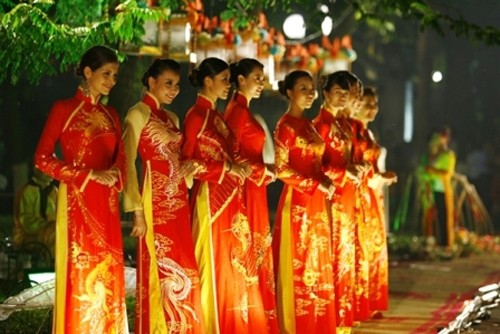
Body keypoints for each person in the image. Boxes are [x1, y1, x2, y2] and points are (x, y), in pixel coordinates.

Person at [34, 45, 129, 333]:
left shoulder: (111, 114)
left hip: (107, 205)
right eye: (106, 74)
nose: (111, 81)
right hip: (78, 202)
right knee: (81, 271)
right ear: (87, 73)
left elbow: (122, 159)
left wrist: (116, 177)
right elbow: (42, 158)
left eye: (115, 75)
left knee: (110, 273)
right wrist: (87, 175)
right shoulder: (63, 109)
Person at [122, 58, 204, 333]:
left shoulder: (172, 118)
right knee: (162, 271)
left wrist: (187, 168)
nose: (174, 90)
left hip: (178, 201)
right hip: (154, 202)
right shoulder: (137, 114)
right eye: (168, 83)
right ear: (151, 82)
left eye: (177, 85)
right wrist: (136, 210)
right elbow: (127, 162)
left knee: (185, 269)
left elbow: (175, 160)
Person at [182, 57, 262, 333]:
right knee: (214, 264)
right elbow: (186, 164)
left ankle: (234, 324)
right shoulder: (195, 117)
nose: (229, 85)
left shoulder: (216, 117)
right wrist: (225, 167)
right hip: (210, 201)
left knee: (234, 266)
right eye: (225, 79)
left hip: (233, 198)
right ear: (208, 81)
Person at [272, 70, 336, 333]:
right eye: (302, 88)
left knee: (317, 259)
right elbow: (281, 169)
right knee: (298, 261)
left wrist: (325, 179)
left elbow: (315, 163)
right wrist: (314, 183)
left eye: (312, 89)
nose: (309, 94)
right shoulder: (284, 125)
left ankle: (317, 321)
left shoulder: (309, 125)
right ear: (289, 92)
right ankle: (293, 324)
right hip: (297, 202)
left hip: (317, 203)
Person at [224, 58, 279, 333]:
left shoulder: (242, 110)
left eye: (263, 77)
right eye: (256, 77)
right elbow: (232, 156)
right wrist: (265, 171)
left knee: (256, 252)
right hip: (243, 190)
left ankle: (256, 317)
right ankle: (245, 320)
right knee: (246, 253)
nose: (262, 82)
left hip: (254, 187)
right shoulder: (237, 112)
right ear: (241, 79)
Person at [312, 71, 362, 331]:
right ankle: (331, 319)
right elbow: (316, 165)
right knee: (333, 255)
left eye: (346, 93)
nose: (343, 97)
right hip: (331, 197)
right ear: (326, 93)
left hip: (346, 196)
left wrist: (353, 168)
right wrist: (344, 172)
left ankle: (342, 318)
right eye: (338, 92)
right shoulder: (320, 123)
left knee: (345, 256)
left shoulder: (341, 124)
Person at [356, 86, 397, 315]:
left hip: (374, 195)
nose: (372, 109)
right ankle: (361, 300)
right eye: (367, 104)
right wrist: (378, 176)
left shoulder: (368, 134)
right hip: (362, 195)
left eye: (375, 104)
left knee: (374, 246)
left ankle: (371, 300)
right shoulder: (354, 133)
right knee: (363, 247)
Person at [417, 126, 456, 248]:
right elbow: (421, 169)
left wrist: (432, 171)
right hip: (429, 189)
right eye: (434, 138)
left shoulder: (448, 155)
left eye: (440, 137)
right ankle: (428, 240)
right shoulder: (426, 155)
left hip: (442, 189)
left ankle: (445, 244)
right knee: (428, 216)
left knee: (443, 216)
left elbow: (447, 173)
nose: (437, 140)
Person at [12, 167, 57, 257]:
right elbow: (27, 223)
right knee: (56, 234)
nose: (50, 172)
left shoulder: (55, 191)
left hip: (48, 231)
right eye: (46, 169)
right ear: (36, 170)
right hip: (30, 236)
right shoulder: (27, 191)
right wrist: (48, 224)